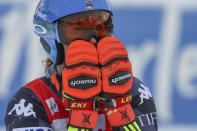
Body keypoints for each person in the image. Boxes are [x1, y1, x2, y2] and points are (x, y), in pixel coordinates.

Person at [4, 0, 158, 131]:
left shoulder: (134, 90)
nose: (93, 40)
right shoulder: (29, 101)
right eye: (78, 30)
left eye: (101, 27)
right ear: (50, 38)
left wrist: (121, 110)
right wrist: (81, 114)